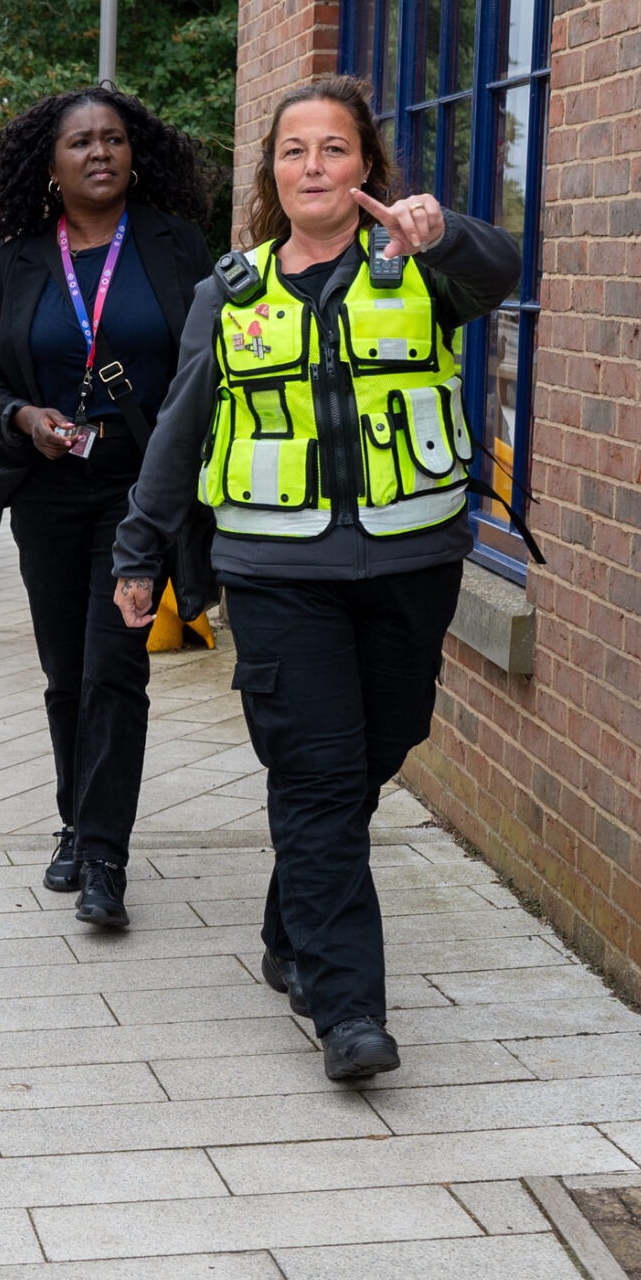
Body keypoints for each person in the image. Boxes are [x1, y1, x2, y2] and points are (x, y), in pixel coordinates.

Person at [110, 75, 523, 1083]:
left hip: (411, 560)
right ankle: (349, 1012)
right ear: (271, 172)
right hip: (277, 570)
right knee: (318, 774)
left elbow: (499, 271)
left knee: (377, 750)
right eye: (294, 150)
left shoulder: (417, 272)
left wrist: (444, 230)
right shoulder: (231, 290)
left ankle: (292, 919)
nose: (312, 167)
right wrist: (139, 545)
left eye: (333, 149)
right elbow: (178, 424)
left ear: (365, 169)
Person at [0, 89, 214, 927]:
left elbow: (203, 369)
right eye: (81, 142)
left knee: (116, 663)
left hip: (142, 489)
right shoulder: (13, 258)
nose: (99, 152)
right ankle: (75, 818)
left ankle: (106, 850)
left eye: (114, 138)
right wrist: (22, 418)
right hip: (47, 489)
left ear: (135, 153)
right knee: (66, 668)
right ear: (52, 163)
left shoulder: (177, 247)